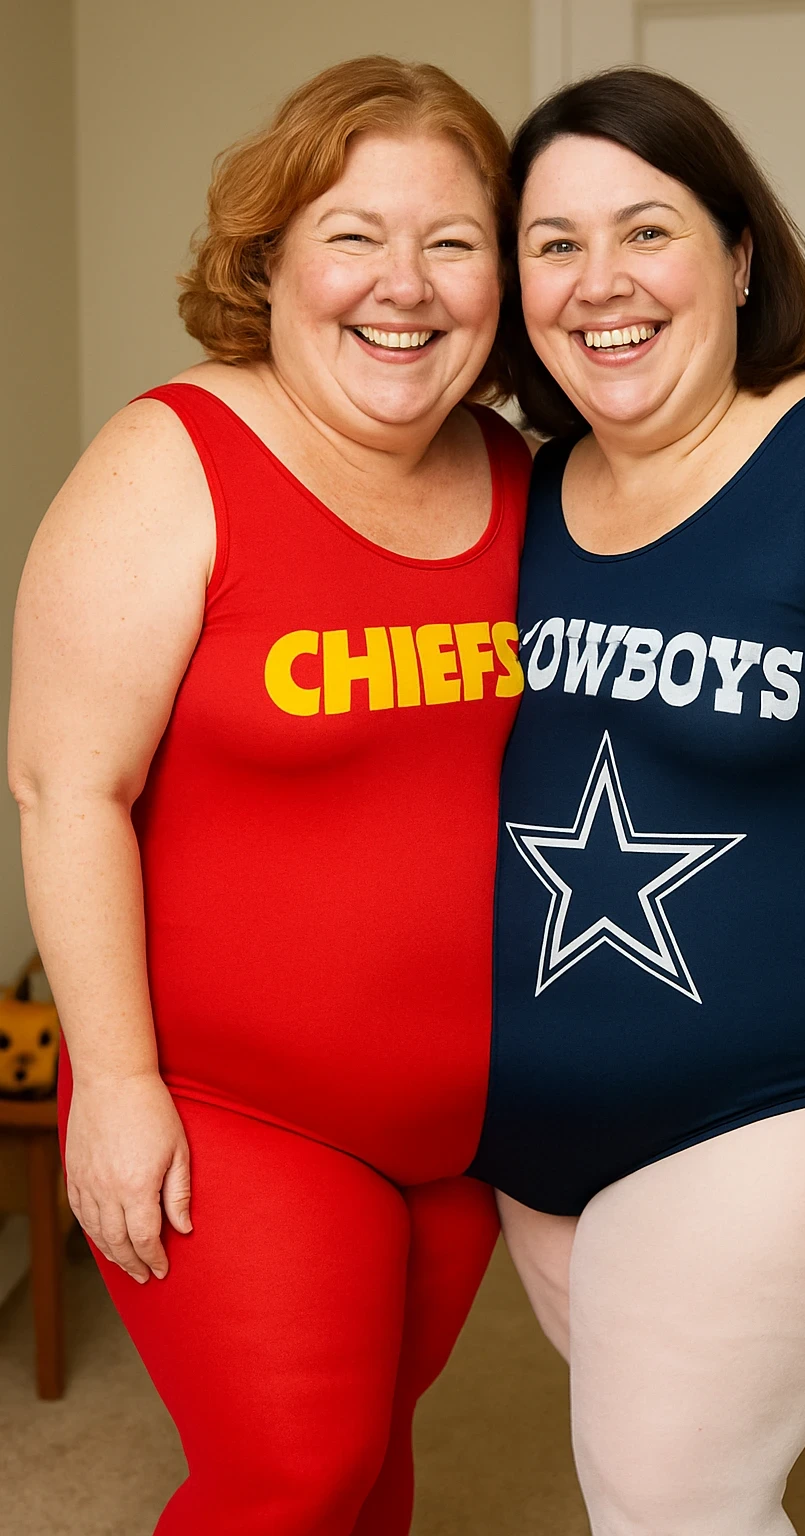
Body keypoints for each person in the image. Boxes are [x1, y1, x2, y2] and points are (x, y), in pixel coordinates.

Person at [468, 68, 805, 1534]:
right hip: (539, 1140)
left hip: (787, 1108)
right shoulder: (519, 494)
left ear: (740, 254)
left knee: (666, 1499)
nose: (601, 282)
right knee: (686, 1496)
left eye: (647, 230)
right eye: (554, 243)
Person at [8, 56, 531, 1536]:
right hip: (233, 1106)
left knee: (366, 1474)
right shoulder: (171, 460)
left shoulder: (522, 475)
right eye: (354, 235)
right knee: (289, 1478)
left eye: (453, 241)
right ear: (271, 260)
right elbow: (65, 786)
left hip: (466, 1132)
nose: (404, 284)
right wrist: (115, 1089)